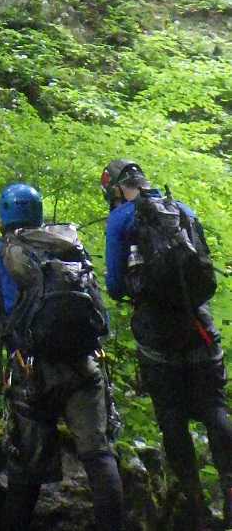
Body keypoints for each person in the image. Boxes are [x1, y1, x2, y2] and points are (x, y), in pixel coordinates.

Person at [0, 181, 124, 531]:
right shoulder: (67, 247)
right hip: (84, 366)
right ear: (38, 217)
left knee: (25, 475)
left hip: (32, 372)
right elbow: (100, 315)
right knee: (98, 456)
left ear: (0, 220)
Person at [102, 157, 232, 529]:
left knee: (171, 416)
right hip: (198, 324)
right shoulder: (182, 209)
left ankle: (194, 503)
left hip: (157, 332)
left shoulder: (121, 219)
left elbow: (114, 285)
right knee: (214, 406)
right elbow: (203, 269)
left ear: (116, 189)